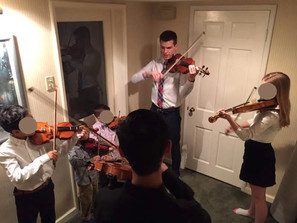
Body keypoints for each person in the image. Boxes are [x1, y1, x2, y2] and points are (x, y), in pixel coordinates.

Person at [94, 109, 211, 223]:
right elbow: (197, 209)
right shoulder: (189, 214)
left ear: (121, 152)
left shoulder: (105, 202)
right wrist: (169, 175)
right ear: (168, 148)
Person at [218, 72, 291, 223]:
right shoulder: (267, 108)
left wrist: (231, 119)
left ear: (277, 91)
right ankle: (251, 212)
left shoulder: (272, 115)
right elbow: (252, 121)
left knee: (259, 197)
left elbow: (247, 134)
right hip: (254, 150)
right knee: (254, 188)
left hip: (260, 155)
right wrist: (235, 126)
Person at [131, 30, 200, 176]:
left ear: (175, 46)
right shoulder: (155, 63)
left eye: (169, 48)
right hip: (154, 110)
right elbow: (134, 78)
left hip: (171, 114)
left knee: (174, 144)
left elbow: (183, 93)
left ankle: (175, 174)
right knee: (152, 141)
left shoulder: (182, 67)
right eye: (162, 47)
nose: (165, 51)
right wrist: (149, 73)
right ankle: (153, 170)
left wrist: (191, 79)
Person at [0, 105, 84, 223]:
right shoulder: (5, 150)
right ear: (15, 131)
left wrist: (76, 136)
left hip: (47, 188)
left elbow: (60, 151)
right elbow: (17, 176)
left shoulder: (38, 137)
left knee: (50, 219)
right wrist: (43, 158)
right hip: (26, 196)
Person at [62, 26, 104, 119]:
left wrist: (70, 59)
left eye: (78, 39)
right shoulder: (80, 55)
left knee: (92, 116)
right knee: (85, 117)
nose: (76, 43)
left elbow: (87, 70)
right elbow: (68, 71)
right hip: (82, 91)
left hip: (91, 90)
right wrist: (64, 62)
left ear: (85, 39)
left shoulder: (94, 54)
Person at [69, 128, 99, 223]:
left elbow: (97, 154)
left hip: (93, 175)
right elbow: (74, 162)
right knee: (86, 201)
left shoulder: (90, 144)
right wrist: (90, 160)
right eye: (82, 131)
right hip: (83, 178)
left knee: (96, 198)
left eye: (86, 131)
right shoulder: (72, 146)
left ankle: (95, 215)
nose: (85, 133)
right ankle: (86, 219)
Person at [92, 104, 121, 187]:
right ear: (99, 118)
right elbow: (95, 144)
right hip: (104, 161)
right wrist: (108, 146)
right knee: (104, 183)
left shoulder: (111, 125)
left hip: (115, 158)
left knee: (115, 181)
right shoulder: (94, 129)